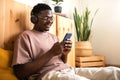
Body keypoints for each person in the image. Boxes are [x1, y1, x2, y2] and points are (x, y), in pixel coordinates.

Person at [12, 3, 120, 80]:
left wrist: (65, 54)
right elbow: (21, 72)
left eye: (51, 18)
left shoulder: (53, 37)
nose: (50, 21)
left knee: (114, 72)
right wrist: (51, 52)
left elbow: (60, 62)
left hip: (69, 70)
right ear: (34, 19)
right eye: (45, 18)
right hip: (47, 75)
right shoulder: (25, 37)